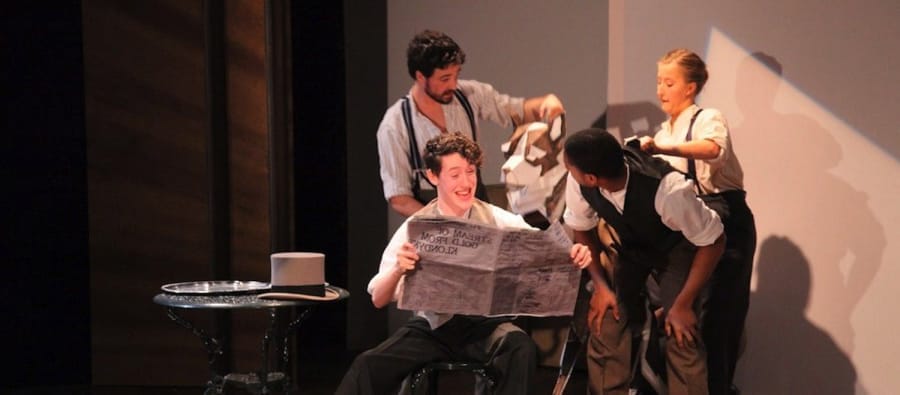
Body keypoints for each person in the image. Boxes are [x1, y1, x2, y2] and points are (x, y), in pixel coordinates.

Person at [337, 133, 592, 395]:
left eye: (471, 172)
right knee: (368, 364)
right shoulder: (416, 227)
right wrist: (398, 269)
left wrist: (572, 252)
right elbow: (379, 299)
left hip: (482, 327)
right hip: (432, 327)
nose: (466, 182)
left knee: (519, 346)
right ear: (433, 176)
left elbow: (544, 246)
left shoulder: (494, 217)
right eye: (455, 174)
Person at [562, 128, 725, 395]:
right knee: (606, 318)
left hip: (675, 249)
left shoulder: (668, 190)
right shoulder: (581, 180)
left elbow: (714, 241)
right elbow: (582, 229)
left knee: (681, 332)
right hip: (630, 245)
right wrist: (601, 287)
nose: (568, 171)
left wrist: (683, 304)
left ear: (592, 178)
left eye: (569, 167)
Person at [639, 48, 757, 395]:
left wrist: (665, 151)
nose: (661, 89)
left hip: (725, 221)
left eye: (670, 82)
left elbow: (712, 150)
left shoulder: (706, 118)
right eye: (659, 81)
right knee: (680, 319)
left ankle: (718, 387)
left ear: (690, 88)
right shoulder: (663, 130)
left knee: (717, 318)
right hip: (684, 227)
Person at [378, 29, 565, 217]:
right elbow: (399, 198)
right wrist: (441, 224)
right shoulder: (394, 125)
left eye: (456, 75)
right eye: (444, 78)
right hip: (433, 227)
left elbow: (516, 110)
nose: (453, 84)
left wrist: (544, 103)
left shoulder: (468, 95)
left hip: (478, 214)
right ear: (420, 77)